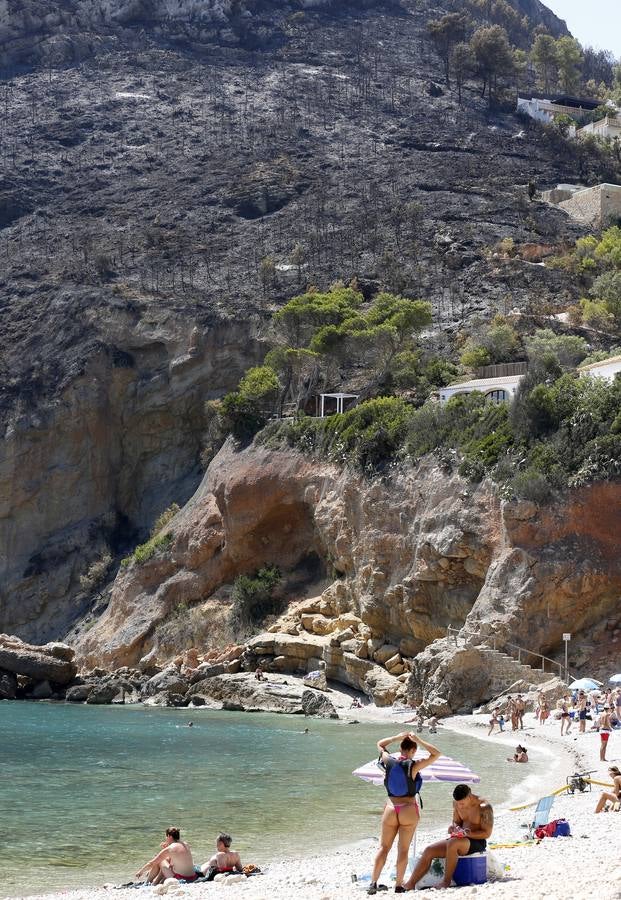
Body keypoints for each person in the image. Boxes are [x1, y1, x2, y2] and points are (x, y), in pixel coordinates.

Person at [367, 730, 441, 895]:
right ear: (413, 751)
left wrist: (396, 737)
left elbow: (380, 743)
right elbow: (436, 754)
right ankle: (399, 886)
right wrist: (419, 740)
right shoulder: (413, 765)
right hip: (408, 809)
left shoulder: (388, 760)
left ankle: (373, 883)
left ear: (400, 748)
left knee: (384, 847)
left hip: (391, 808)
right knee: (403, 850)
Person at [404, 784, 493, 890]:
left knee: (452, 843)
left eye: (462, 803)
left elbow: (487, 833)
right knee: (429, 850)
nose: (459, 806)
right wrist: (453, 828)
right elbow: (456, 822)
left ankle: (446, 881)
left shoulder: (484, 806)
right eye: (458, 804)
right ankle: (410, 883)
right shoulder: (456, 803)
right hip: (459, 839)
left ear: (469, 796)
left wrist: (467, 834)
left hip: (477, 841)